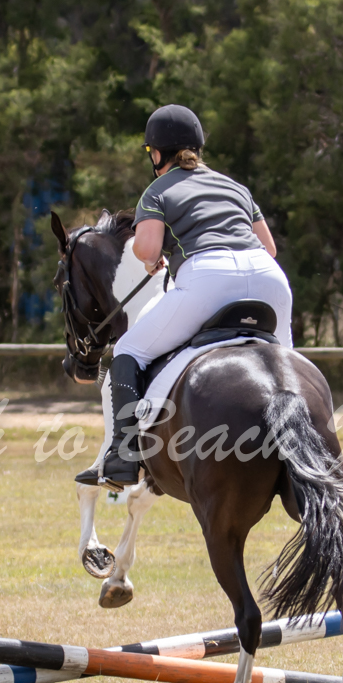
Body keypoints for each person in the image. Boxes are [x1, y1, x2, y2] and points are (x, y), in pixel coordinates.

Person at [77, 104, 293, 488]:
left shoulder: (157, 190)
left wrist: (153, 259)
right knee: (288, 371)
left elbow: (146, 249)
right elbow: (270, 247)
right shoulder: (235, 187)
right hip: (269, 279)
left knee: (128, 349)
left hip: (208, 278)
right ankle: (308, 446)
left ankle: (124, 456)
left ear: (157, 153)